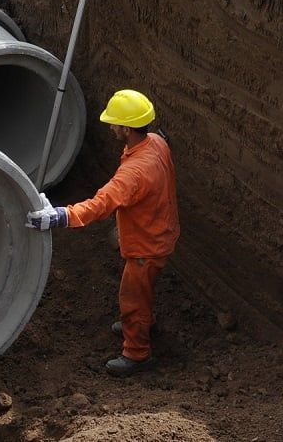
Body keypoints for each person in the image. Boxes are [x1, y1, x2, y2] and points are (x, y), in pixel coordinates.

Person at [26, 89, 180, 376]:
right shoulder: (156, 143)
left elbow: (100, 204)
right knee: (143, 289)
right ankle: (145, 322)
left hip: (146, 246)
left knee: (132, 300)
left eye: (114, 123)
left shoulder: (133, 173)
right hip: (162, 231)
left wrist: (61, 216)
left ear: (126, 128)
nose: (110, 127)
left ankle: (137, 354)